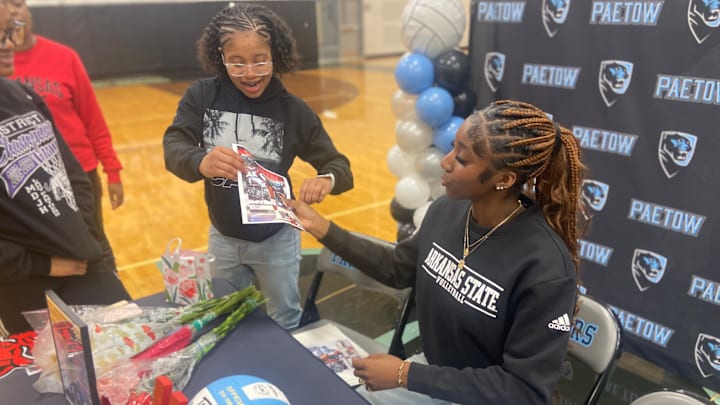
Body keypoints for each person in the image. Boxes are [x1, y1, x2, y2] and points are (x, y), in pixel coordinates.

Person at [286, 100, 587, 404]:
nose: (445, 162)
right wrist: (322, 228)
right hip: (436, 377)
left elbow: (524, 390)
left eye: (462, 158)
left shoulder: (545, 266)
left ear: (504, 179)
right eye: (452, 147)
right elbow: (397, 267)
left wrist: (406, 375)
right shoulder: (447, 209)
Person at [163, 3, 353, 330]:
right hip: (222, 237)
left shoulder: (293, 111)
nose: (250, 73)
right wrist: (201, 160)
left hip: (276, 239)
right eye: (237, 63)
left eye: (259, 60)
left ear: (275, 55)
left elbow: (339, 166)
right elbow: (174, 146)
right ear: (220, 57)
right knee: (225, 318)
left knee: (285, 319)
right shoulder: (201, 96)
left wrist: (327, 179)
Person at [0, 1, 131, 335]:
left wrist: (83, 239)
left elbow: (73, 170)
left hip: (81, 257)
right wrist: (44, 265)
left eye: (9, 32)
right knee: (60, 377)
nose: (9, 44)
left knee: (129, 340)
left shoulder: (21, 93)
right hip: (27, 279)